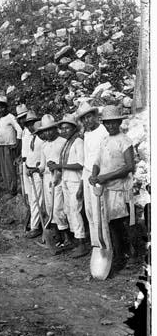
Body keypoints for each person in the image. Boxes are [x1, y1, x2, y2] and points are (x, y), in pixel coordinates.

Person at [90, 105, 135, 272]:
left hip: (120, 188)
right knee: (111, 223)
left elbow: (129, 166)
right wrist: (94, 175)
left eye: (113, 123)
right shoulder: (105, 141)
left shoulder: (124, 141)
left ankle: (126, 255)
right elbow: (97, 161)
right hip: (106, 189)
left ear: (119, 122)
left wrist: (105, 177)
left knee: (120, 223)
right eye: (107, 123)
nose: (110, 126)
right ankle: (117, 253)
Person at [76, 102, 108, 252]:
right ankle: (96, 245)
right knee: (89, 210)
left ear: (95, 116)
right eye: (84, 119)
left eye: (89, 117)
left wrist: (98, 176)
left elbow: (106, 157)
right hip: (88, 174)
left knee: (98, 211)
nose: (87, 121)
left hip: (99, 174)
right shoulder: (87, 134)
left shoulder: (103, 131)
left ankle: (105, 245)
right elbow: (86, 161)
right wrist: (82, 184)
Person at [56, 114, 88, 257]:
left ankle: (82, 244)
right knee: (69, 210)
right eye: (62, 128)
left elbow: (81, 164)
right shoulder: (67, 142)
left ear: (74, 128)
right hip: (66, 180)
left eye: (67, 128)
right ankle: (75, 241)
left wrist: (60, 165)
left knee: (76, 211)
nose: (64, 131)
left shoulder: (78, 142)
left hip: (76, 181)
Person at [37, 114, 70, 249]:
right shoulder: (44, 146)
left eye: (50, 129)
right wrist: (35, 169)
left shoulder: (63, 142)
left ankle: (68, 237)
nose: (48, 132)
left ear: (55, 128)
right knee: (50, 208)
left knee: (58, 208)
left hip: (60, 178)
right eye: (45, 130)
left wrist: (57, 169)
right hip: (47, 179)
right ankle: (58, 238)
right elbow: (42, 166)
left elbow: (66, 161)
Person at [19, 110, 43, 239]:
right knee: (31, 198)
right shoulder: (28, 135)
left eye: (32, 123)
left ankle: (35, 227)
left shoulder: (41, 136)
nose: (30, 126)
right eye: (28, 124)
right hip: (29, 170)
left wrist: (36, 168)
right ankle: (34, 224)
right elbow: (27, 153)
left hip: (38, 171)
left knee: (37, 199)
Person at [0, 95, 22, 194]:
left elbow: (19, 130)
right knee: (4, 169)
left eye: (2, 107)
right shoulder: (1, 119)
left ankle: (13, 189)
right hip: (2, 146)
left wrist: (17, 144)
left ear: (6, 107)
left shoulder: (10, 117)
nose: (0, 109)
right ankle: (9, 188)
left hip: (9, 146)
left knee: (10, 168)